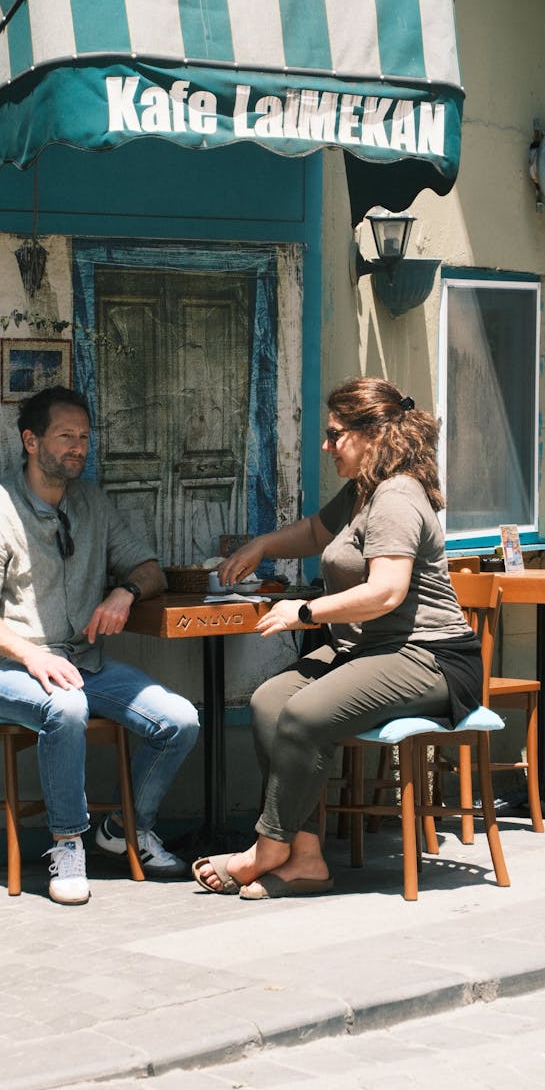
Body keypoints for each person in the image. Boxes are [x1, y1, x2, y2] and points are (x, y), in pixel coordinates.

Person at [192, 376, 481, 900]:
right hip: (368, 649)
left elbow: (386, 592)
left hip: (427, 656)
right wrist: (261, 545)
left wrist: (304, 610)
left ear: (372, 433)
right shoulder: (364, 489)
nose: (325, 447)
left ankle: (268, 847)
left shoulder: (396, 496)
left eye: (334, 435)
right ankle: (304, 856)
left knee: (305, 715)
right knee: (270, 702)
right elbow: (314, 532)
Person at [0, 385, 199, 905]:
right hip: (2, 668)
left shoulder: (91, 503)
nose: (78, 447)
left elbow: (148, 569)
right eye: (65, 436)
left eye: (84, 437)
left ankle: (125, 827)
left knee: (179, 720)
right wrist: (32, 653)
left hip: (82, 661)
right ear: (31, 441)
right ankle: (68, 844)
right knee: (66, 707)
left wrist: (124, 593)